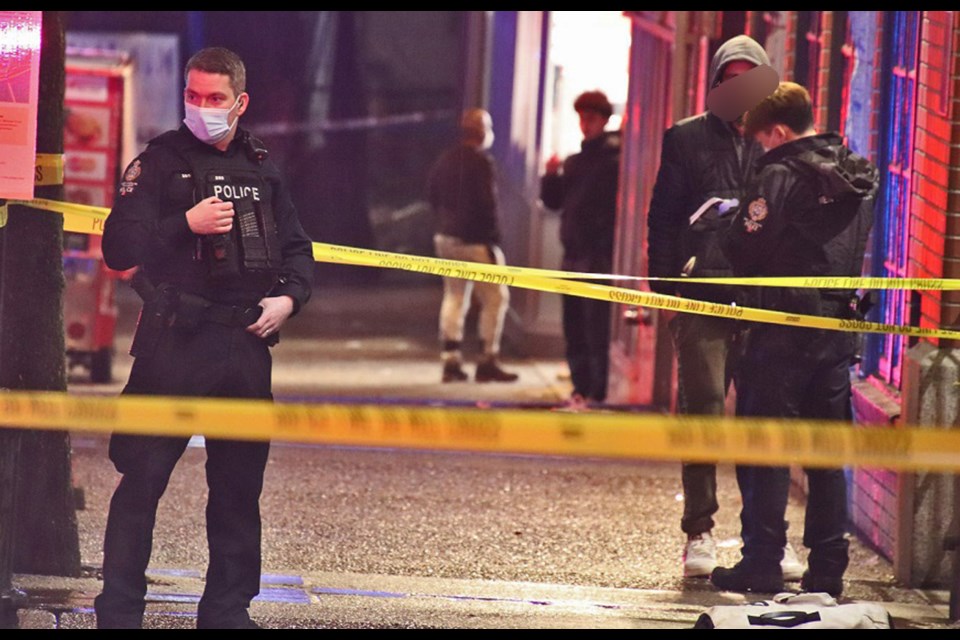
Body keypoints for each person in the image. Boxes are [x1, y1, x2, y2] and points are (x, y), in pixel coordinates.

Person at [93, 47, 315, 629]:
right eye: (193, 96)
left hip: (243, 345)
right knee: (140, 483)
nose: (202, 108)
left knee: (239, 492)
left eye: (215, 99)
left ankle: (227, 611)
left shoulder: (263, 164)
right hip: (175, 342)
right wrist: (182, 225)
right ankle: (118, 612)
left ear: (240, 103)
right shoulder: (161, 161)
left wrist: (288, 299)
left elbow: (297, 248)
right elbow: (117, 248)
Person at [645, 35, 805, 580]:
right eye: (729, 79)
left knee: (763, 419)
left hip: (762, 300)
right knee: (705, 410)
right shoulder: (686, 139)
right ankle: (699, 530)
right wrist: (666, 290)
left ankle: (768, 537)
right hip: (703, 295)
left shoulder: (777, 138)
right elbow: (662, 216)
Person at [711, 81, 879, 597]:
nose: (763, 149)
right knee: (827, 457)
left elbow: (747, 245)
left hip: (779, 331)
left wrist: (728, 223)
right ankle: (828, 571)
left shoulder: (778, 175)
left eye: (763, 139)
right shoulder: (858, 174)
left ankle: (762, 562)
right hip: (835, 332)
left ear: (779, 131)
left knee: (767, 449)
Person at [540, 90, 621, 405]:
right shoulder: (575, 162)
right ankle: (581, 387)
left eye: (590, 119)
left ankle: (595, 390)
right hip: (573, 254)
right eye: (582, 119)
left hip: (597, 256)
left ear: (603, 120)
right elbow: (555, 202)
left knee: (594, 327)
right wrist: (550, 175)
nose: (585, 125)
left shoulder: (613, 161)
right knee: (574, 325)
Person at [428, 108, 518, 384]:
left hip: (446, 238)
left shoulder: (445, 160)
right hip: (476, 240)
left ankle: (451, 360)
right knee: (496, 298)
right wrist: (493, 240)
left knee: (454, 296)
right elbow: (487, 205)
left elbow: (431, 194)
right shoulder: (481, 163)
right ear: (482, 132)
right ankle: (487, 358)